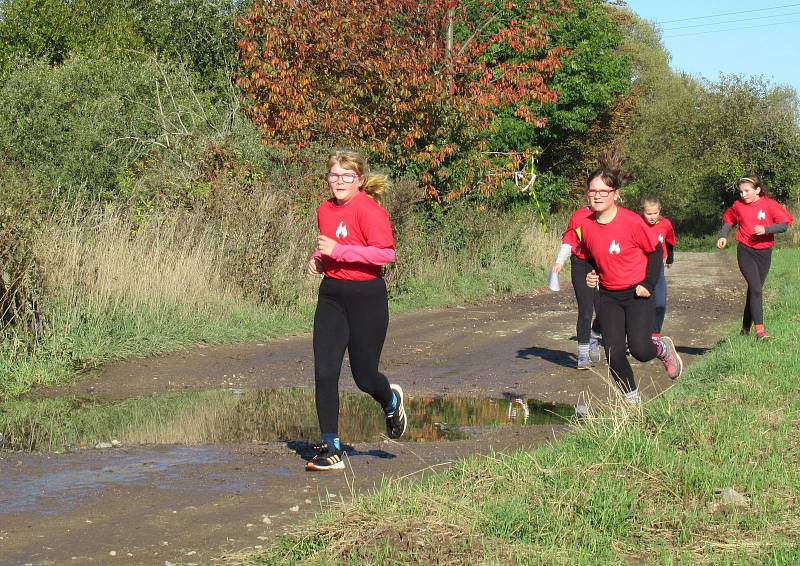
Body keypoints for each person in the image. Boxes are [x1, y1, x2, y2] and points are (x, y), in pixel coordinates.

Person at [305, 149, 407, 471]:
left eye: (346, 176)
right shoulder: (324, 209)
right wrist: (320, 259)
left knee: (364, 377)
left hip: (367, 297)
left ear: (359, 180)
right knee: (324, 371)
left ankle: (390, 401)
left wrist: (341, 251)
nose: (339, 181)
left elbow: (385, 255)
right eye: (334, 175)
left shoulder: (369, 210)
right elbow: (329, 247)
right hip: (333, 295)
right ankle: (330, 446)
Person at [570, 152, 683, 405]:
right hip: (609, 295)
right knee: (613, 352)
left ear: (616, 194)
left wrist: (648, 284)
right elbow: (588, 254)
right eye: (592, 191)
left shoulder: (632, 222)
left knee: (642, 351)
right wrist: (591, 272)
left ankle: (662, 348)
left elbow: (655, 253)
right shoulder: (585, 225)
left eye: (603, 191)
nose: (597, 196)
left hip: (637, 293)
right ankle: (634, 402)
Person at [716, 175, 793, 340]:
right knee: (757, 289)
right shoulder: (738, 206)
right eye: (741, 191)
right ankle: (760, 331)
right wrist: (723, 235)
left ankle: (745, 330)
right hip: (745, 250)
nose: (743, 195)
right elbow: (729, 220)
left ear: (757, 190)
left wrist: (767, 229)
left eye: (747, 191)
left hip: (764, 253)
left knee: (754, 290)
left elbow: (784, 225)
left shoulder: (770, 205)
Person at [551, 203, 602, 370]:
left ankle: (594, 335)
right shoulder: (579, 216)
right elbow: (569, 241)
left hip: (603, 264)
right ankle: (583, 353)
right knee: (586, 310)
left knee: (604, 311)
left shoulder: (611, 215)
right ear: (588, 194)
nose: (596, 196)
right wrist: (560, 261)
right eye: (592, 191)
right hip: (581, 264)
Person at [641, 197, 676, 341]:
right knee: (642, 303)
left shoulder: (665, 224)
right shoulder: (637, 223)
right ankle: (637, 336)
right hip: (639, 266)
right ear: (642, 212)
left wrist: (670, 257)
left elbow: (669, 240)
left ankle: (655, 336)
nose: (651, 217)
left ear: (659, 211)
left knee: (660, 303)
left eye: (655, 213)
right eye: (648, 213)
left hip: (657, 266)